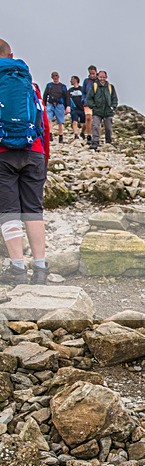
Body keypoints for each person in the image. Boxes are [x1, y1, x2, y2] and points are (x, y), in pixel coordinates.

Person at [0, 39, 50, 285]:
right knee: (33, 210)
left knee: (9, 212)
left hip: (3, 154)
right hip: (34, 152)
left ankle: (18, 269)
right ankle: (40, 268)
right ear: (11, 54)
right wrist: (44, 157)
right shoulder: (30, 84)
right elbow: (44, 124)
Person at [85, 70, 117, 150]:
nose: (102, 79)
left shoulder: (110, 87)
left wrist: (113, 106)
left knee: (108, 128)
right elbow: (89, 98)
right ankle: (95, 142)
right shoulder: (94, 86)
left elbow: (114, 98)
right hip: (97, 111)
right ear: (98, 77)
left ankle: (108, 142)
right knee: (95, 126)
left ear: (106, 77)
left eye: (103, 77)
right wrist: (93, 106)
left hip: (108, 111)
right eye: (100, 77)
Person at [43, 71, 70, 144]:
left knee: (60, 122)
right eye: (54, 76)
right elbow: (45, 95)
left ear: (58, 76)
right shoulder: (49, 86)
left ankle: (61, 136)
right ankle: (50, 134)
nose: (55, 77)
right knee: (49, 119)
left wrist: (68, 106)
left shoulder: (62, 86)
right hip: (50, 104)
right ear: (52, 77)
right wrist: (44, 105)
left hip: (59, 105)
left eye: (56, 76)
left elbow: (67, 97)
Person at [81, 65, 97, 142]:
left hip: (97, 103)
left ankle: (95, 135)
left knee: (96, 120)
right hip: (87, 103)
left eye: (93, 73)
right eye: (90, 73)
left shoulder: (99, 81)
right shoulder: (86, 81)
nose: (92, 75)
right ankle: (89, 136)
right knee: (88, 118)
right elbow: (83, 92)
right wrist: (83, 99)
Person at [67, 75, 85, 140]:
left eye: (72, 79)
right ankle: (76, 134)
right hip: (74, 109)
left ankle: (82, 133)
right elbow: (67, 99)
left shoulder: (82, 89)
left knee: (84, 123)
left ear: (75, 80)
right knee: (74, 121)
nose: (70, 81)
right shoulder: (70, 90)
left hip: (82, 108)